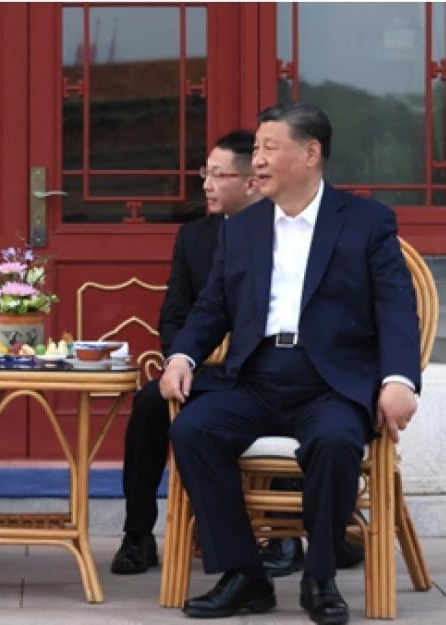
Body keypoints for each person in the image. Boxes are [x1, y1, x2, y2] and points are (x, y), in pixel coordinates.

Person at [160, 102, 420, 625]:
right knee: (194, 429)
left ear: (311, 152)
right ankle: (244, 574)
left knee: (334, 440)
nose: (256, 160)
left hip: (330, 382)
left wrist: (399, 380)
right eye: (255, 149)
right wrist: (182, 356)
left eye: (268, 148)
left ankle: (320, 576)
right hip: (254, 375)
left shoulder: (366, 223)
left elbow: (396, 308)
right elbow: (212, 306)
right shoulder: (245, 227)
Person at [112, 130, 259, 575]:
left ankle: (285, 533)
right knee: (151, 403)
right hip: (204, 372)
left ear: (252, 181)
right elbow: (175, 314)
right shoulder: (195, 237)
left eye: (218, 175)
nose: (206, 185)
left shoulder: (282, 230)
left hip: (259, 372)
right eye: (205, 173)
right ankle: (138, 533)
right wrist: (181, 361)